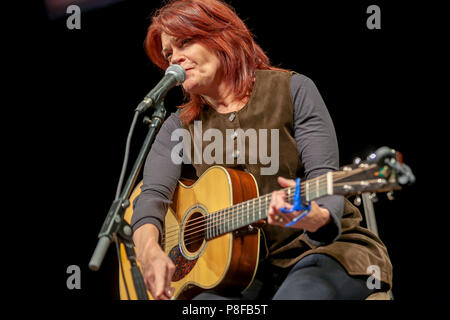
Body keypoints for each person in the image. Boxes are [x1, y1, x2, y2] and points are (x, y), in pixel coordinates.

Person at [131, 0, 392, 300]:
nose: (175, 59)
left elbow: (325, 176)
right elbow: (151, 198)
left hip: (325, 253)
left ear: (221, 36)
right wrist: (150, 252)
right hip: (242, 275)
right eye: (168, 54)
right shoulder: (176, 127)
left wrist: (315, 217)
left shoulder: (293, 90)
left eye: (185, 42)